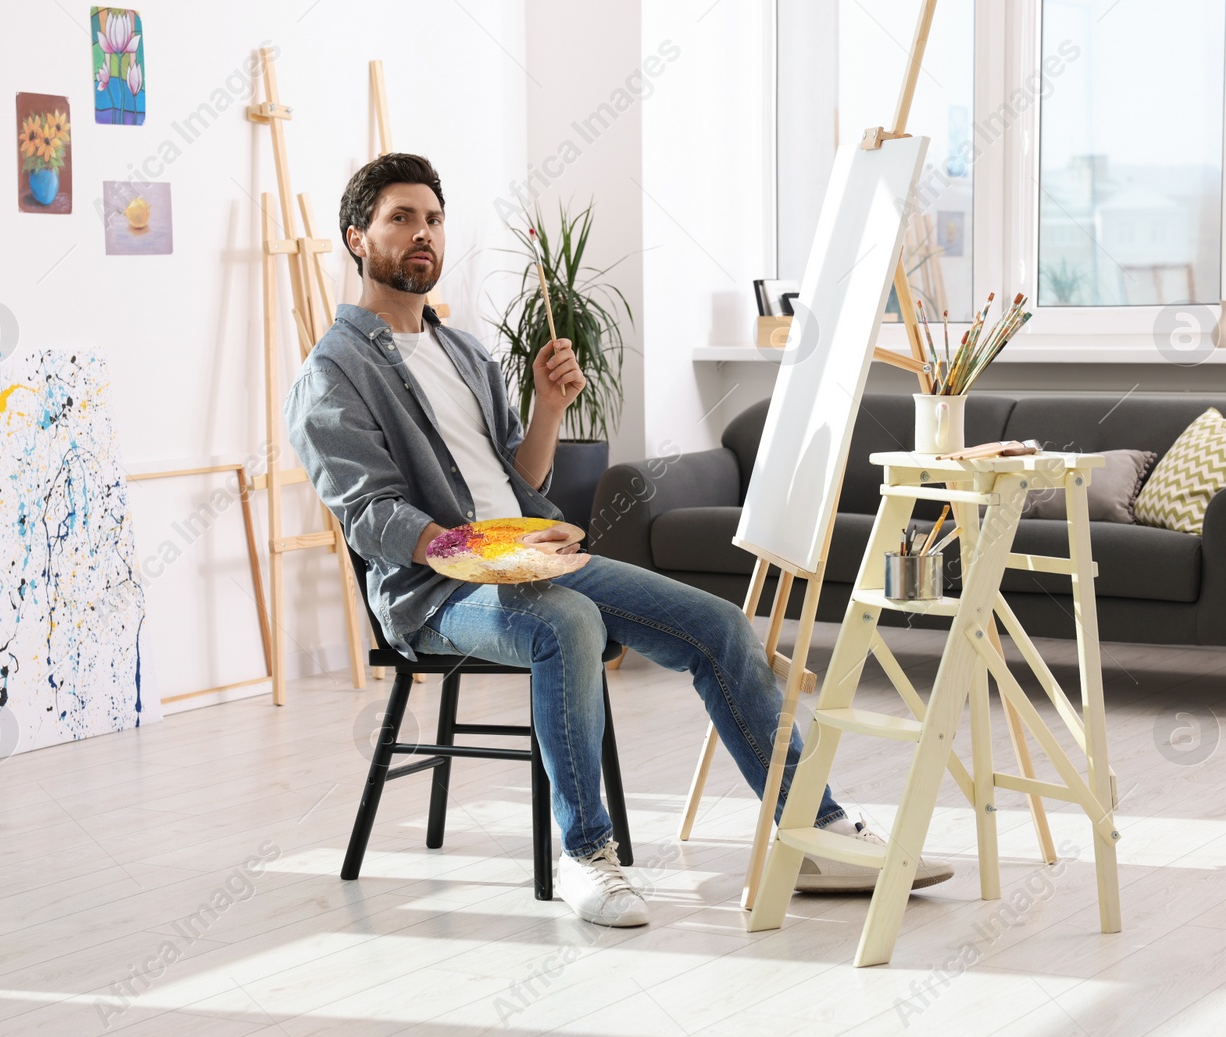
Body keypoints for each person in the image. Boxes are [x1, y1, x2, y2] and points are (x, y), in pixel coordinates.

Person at [286, 153, 952, 928]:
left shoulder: (462, 352)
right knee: (568, 623)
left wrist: (544, 406)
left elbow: (518, 473)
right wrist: (474, 549)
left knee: (719, 623)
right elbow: (369, 517)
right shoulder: (332, 372)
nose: (422, 234)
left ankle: (811, 830)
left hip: (529, 554)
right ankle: (585, 855)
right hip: (441, 590)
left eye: (432, 218)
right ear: (356, 238)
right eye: (400, 218)